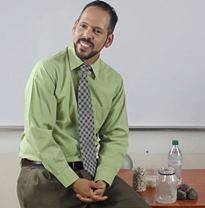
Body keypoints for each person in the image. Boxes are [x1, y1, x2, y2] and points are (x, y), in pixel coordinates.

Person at [17, 1, 151, 208]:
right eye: (83, 26)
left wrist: (103, 179)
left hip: (91, 172)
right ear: (74, 26)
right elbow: (39, 133)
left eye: (97, 31)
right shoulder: (46, 71)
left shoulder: (113, 81)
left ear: (109, 40)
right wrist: (72, 181)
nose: (87, 35)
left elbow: (116, 136)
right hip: (44, 173)